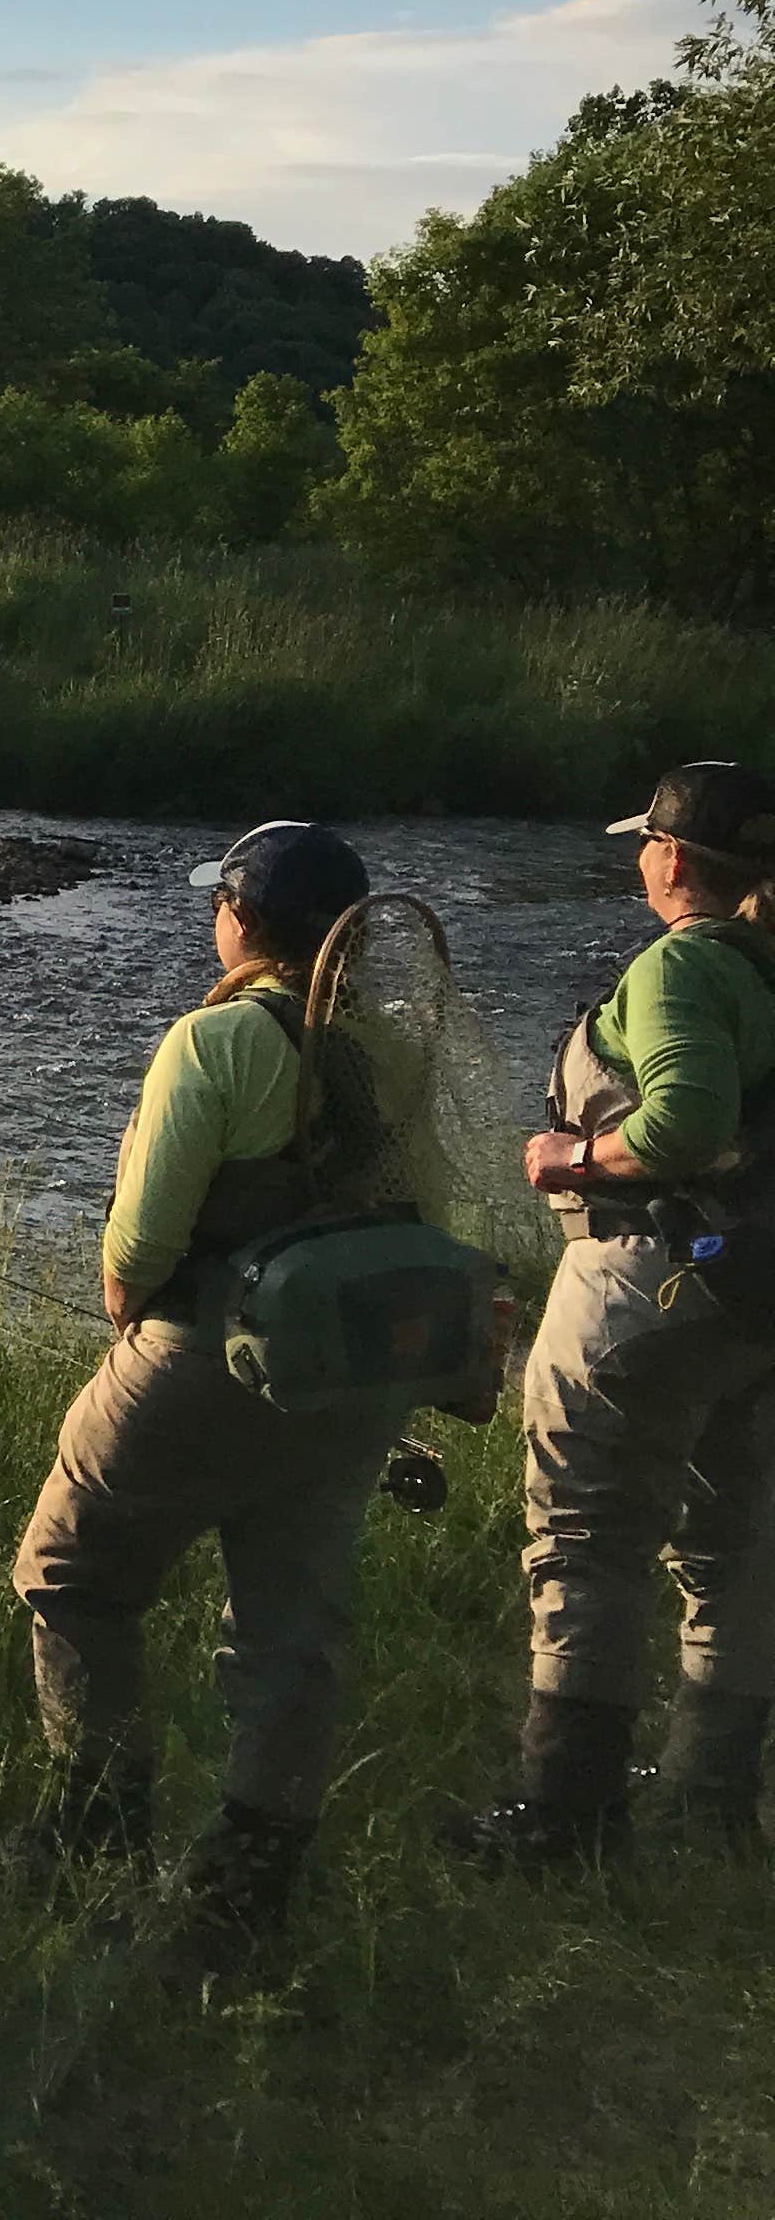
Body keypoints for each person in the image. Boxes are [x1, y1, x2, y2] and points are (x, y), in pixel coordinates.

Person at [10, 821, 435, 1966]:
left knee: (71, 1574)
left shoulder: (214, 1043)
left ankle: (94, 1836)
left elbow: (138, 1251)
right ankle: (250, 1887)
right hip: (353, 1369)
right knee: (292, 1627)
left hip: (208, 1356)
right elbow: (425, 1205)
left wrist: (127, 1309)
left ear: (243, 919)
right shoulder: (390, 1047)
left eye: (221, 902)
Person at [448, 759, 775, 1867]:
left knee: (587, 1542)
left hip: (645, 1286)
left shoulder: (685, 965)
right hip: (756, 1305)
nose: (639, 857)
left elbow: (682, 1119)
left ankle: (562, 1818)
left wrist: (571, 1156)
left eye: (646, 842)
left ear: (673, 860)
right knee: (736, 1548)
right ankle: (709, 1803)